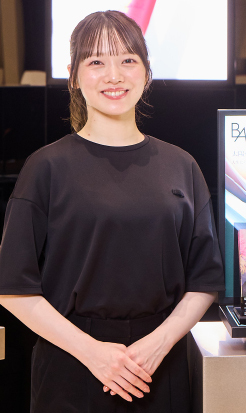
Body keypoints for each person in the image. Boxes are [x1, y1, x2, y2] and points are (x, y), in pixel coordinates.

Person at [0, 10, 224, 413]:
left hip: (160, 368)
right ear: (73, 75)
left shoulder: (181, 165)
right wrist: (94, 354)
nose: (114, 75)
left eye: (127, 60)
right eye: (96, 62)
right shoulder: (45, 167)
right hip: (71, 368)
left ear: (147, 72)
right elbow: (13, 288)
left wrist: (158, 344)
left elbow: (205, 279)